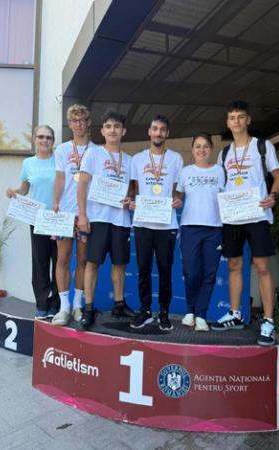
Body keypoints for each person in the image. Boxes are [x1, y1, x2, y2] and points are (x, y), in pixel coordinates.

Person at [210, 101, 279, 346]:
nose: (237, 121)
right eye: (232, 117)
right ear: (227, 122)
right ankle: (235, 313)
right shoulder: (224, 154)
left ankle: (268, 320)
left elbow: (277, 177)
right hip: (233, 217)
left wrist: (273, 195)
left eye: (241, 117)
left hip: (257, 214)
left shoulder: (262, 146)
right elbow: (221, 185)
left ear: (248, 120)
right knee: (234, 265)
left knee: (262, 266)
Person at [76, 109, 136, 330]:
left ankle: (119, 304)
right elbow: (82, 184)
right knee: (92, 263)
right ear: (102, 131)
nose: (112, 130)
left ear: (123, 131)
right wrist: (83, 215)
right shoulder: (93, 154)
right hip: (98, 218)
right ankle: (88, 308)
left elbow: (133, 190)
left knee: (120, 264)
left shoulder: (130, 160)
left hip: (121, 219)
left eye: (117, 127)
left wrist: (131, 199)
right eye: (108, 126)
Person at [128, 115, 183, 331]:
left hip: (166, 224)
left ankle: (164, 312)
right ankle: (145, 310)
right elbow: (134, 188)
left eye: (162, 129)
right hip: (143, 223)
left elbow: (178, 189)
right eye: (155, 129)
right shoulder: (138, 159)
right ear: (149, 132)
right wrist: (132, 201)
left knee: (165, 270)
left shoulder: (176, 159)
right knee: (143, 269)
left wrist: (178, 198)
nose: (158, 133)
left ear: (167, 133)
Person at [5, 125, 60, 319]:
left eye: (48, 137)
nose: (44, 140)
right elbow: (25, 188)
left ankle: (56, 304)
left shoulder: (59, 160)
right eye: (41, 137)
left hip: (58, 218)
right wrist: (15, 192)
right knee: (40, 262)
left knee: (59, 263)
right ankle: (42, 304)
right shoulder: (28, 163)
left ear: (53, 141)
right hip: (37, 219)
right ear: (35, 139)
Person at [174, 132, 225, 332]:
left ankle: (201, 315)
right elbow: (178, 195)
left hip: (214, 228)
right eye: (198, 146)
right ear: (192, 149)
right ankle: (190, 310)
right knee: (191, 272)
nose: (201, 150)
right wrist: (176, 200)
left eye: (205, 146)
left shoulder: (219, 171)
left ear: (211, 149)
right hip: (190, 227)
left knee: (209, 273)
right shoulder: (185, 172)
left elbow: (227, 197)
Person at [50, 104, 93, 326]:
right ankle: (64, 306)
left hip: (86, 213)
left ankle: (77, 305)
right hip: (66, 212)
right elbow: (60, 178)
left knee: (84, 259)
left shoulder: (96, 150)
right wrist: (55, 201)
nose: (79, 124)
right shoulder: (62, 150)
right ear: (69, 124)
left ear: (88, 122)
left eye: (82, 120)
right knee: (63, 258)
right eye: (75, 120)